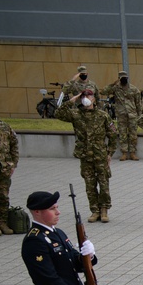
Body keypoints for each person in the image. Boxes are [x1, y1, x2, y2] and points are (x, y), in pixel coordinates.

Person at [55, 90, 117, 223]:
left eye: (88, 96)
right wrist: (73, 99)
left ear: (94, 99)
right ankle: (94, 211)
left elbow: (113, 135)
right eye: (83, 96)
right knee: (90, 184)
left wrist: (110, 153)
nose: (86, 98)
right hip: (85, 155)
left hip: (100, 155)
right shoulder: (76, 114)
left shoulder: (103, 115)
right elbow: (58, 113)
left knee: (104, 183)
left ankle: (104, 209)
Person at [100, 70, 142, 161]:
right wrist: (113, 84)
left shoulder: (134, 89)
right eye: (122, 78)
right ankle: (124, 153)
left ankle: (132, 153)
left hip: (132, 115)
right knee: (122, 134)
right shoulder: (115, 88)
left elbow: (138, 103)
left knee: (133, 134)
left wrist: (140, 115)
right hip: (121, 115)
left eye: (125, 78)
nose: (124, 79)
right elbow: (103, 92)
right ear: (119, 79)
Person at [0, 115, 19, 236]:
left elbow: (14, 144)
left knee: (3, 197)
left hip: (4, 168)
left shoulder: (5, 127)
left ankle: (3, 223)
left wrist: (13, 164)